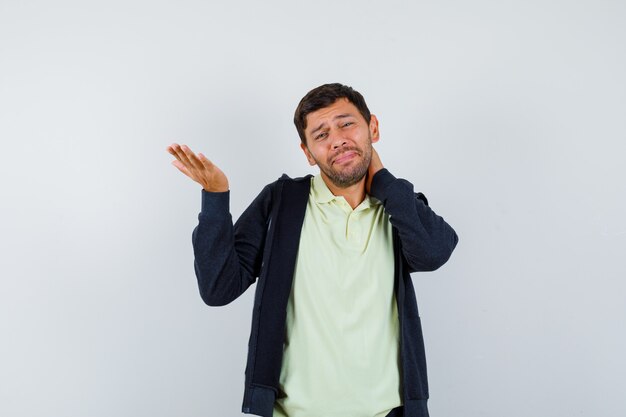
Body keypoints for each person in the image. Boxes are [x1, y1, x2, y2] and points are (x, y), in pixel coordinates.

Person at [166, 83, 459, 417]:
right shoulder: (282, 202)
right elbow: (219, 288)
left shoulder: (397, 207)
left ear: (372, 128)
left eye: (347, 124)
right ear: (307, 153)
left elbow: (435, 252)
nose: (337, 139)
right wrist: (215, 197)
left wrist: (385, 182)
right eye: (321, 135)